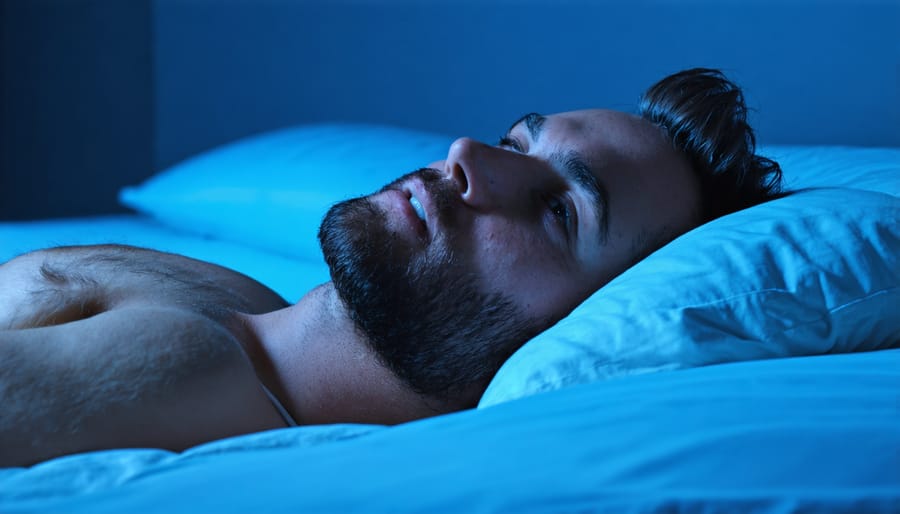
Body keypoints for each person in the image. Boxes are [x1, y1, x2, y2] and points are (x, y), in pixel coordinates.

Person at [0, 68, 782, 466]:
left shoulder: (181, 373)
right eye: (516, 143)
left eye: (560, 211)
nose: (466, 157)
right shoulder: (238, 301)